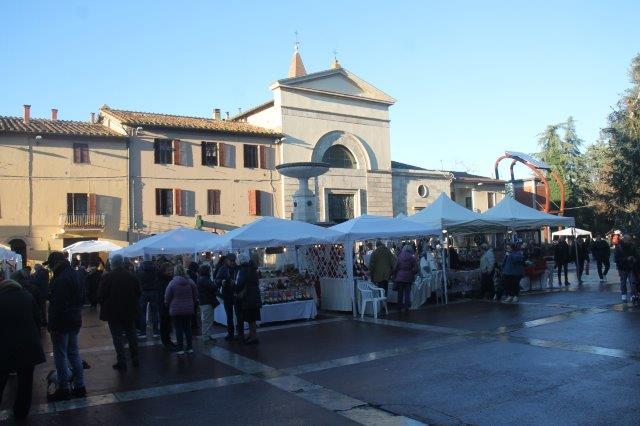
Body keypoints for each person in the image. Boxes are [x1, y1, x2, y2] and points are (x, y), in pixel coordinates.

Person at [0, 279, 46, 420]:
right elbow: (37, 318)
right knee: (26, 381)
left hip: (5, 346)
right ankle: (21, 412)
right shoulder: (27, 296)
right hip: (28, 345)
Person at [44, 251, 86, 401]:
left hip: (62, 322)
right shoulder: (76, 274)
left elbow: (58, 306)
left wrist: (52, 324)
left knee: (60, 355)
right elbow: (82, 298)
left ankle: (63, 388)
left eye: (50, 265)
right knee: (74, 353)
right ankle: (80, 386)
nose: (50, 268)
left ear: (55, 263)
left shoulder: (60, 278)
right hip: (74, 318)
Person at [98, 254, 141, 371]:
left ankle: (121, 361)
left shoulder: (108, 277)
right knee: (131, 334)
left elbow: (101, 295)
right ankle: (135, 357)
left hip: (113, 312)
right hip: (129, 310)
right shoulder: (131, 276)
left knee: (117, 337)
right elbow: (138, 293)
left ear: (112, 264)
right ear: (122, 263)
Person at [165, 264, 199, 355]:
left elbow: (167, 297)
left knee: (178, 329)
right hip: (188, 308)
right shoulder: (190, 282)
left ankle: (180, 348)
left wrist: (168, 304)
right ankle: (189, 347)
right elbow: (196, 294)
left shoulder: (172, 283)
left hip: (176, 309)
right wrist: (192, 302)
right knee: (187, 328)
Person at [215, 254, 242, 341]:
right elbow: (217, 280)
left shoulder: (238, 268)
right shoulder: (222, 269)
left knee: (239, 315)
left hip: (237, 294)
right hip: (227, 294)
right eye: (231, 261)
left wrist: (237, 283)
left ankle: (240, 334)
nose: (233, 262)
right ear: (227, 260)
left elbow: (242, 280)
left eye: (234, 260)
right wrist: (222, 281)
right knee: (229, 316)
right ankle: (230, 333)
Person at [236, 252, 261, 345]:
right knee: (253, 318)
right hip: (254, 296)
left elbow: (240, 282)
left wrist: (235, 286)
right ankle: (252, 335)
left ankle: (253, 337)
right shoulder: (253, 269)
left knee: (250, 318)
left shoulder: (244, 269)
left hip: (248, 297)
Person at [137, 260, 160, 338]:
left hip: (143, 292)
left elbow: (137, 280)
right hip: (154, 291)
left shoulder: (140, 269)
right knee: (155, 313)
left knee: (142, 313)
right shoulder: (155, 268)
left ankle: (143, 332)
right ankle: (156, 332)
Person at [393, 245, 418, 314]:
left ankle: (399, 307)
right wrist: (412, 272)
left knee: (400, 293)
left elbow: (395, 267)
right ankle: (407, 307)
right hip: (409, 277)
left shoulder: (399, 256)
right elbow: (416, 268)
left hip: (400, 277)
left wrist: (394, 274)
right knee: (407, 293)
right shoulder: (412, 257)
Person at [157, 262, 177, 349]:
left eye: (171, 269)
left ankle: (167, 340)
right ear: (164, 270)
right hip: (164, 303)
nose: (171, 271)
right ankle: (166, 342)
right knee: (165, 323)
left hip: (165, 303)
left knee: (167, 323)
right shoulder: (165, 279)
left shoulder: (165, 278)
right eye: (169, 270)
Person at [197, 264, 219, 342]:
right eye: (209, 270)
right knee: (207, 320)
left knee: (207, 319)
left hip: (204, 301)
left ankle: (207, 335)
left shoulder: (201, 278)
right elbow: (213, 287)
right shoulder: (205, 279)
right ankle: (206, 337)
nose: (210, 271)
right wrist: (216, 284)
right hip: (207, 301)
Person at [614, 235, 638, 303]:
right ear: (625, 240)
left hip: (630, 267)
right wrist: (626, 259)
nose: (630, 241)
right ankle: (624, 296)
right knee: (623, 282)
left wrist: (634, 259)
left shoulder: (632, 246)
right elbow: (616, 259)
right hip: (622, 268)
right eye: (629, 240)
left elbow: (636, 255)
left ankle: (632, 296)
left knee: (632, 282)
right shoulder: (619, 247)